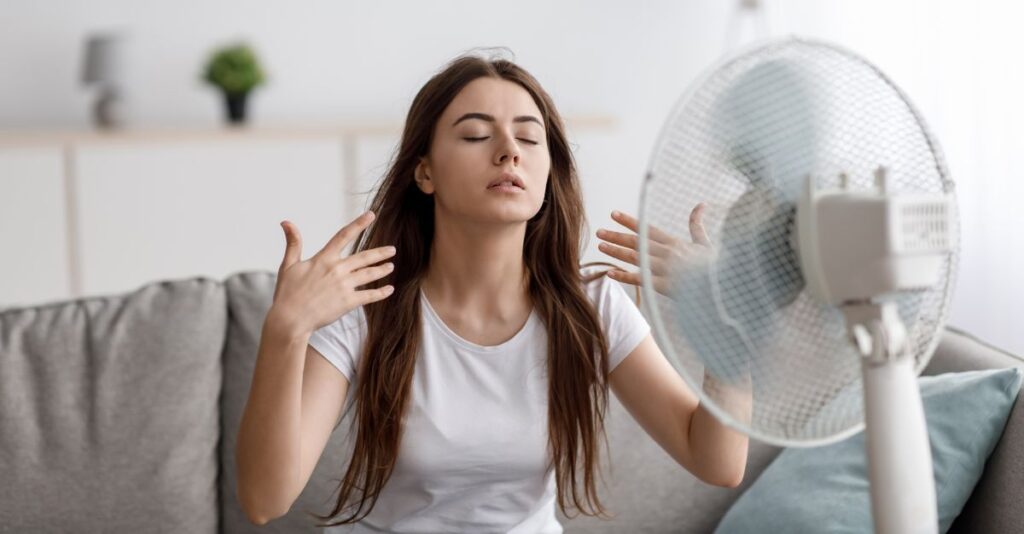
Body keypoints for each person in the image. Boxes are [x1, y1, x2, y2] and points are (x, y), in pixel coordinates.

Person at [235, 52, 751, 533]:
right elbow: (265, 499)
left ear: (549, 172)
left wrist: (728, 318)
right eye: (477, 135)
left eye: (529, 139)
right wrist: (286, 330)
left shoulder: (591, 307)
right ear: (425, 172)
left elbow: (717, 460)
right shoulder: (368, 308)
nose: (509, 152)